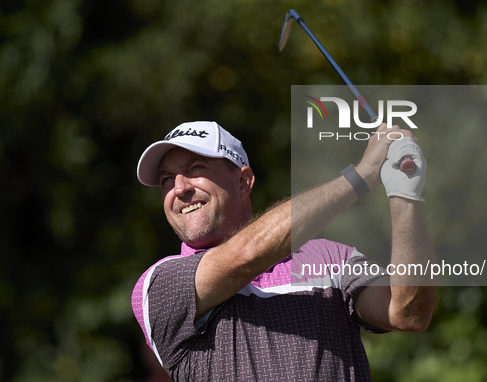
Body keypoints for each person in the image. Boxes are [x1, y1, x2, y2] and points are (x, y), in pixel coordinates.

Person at [131, 120, 435, 381]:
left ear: (243, 182)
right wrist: (362, 175)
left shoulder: (330, 259)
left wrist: (404, 194)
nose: (179, 187)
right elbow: (248, 253)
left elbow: (407, 312)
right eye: (166, 180)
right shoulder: (159, 284)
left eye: (196, 168)